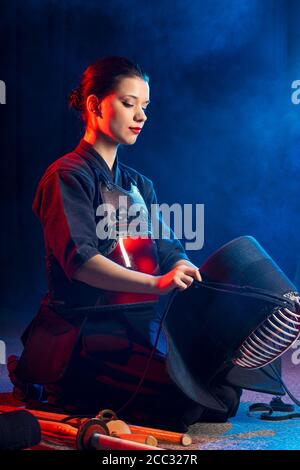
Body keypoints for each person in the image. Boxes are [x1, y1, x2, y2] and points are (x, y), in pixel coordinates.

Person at [11, 56, 242, 431]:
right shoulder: (67, 176)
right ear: (94, 105)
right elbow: (81, 261)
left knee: (224, 391)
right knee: (187, 405)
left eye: (145, 107)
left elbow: (166, 246)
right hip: (81, 334)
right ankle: (51, 378)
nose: (141, 116)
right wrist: (156, 284)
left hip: (130, 328)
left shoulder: (138, 184)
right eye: (128, 102)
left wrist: (180, 264)